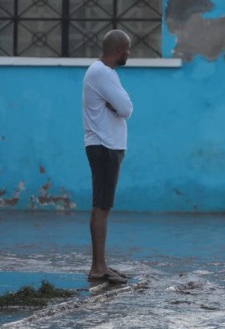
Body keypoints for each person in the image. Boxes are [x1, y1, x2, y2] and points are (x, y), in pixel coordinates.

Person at [82, 29, 133, 284]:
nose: (129, 54)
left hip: (106, 146)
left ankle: (100, 265)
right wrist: (117, 106)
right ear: (119, 51)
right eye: (128, 50)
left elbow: (121, 107)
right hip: (104, 147)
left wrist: (117, 106)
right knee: (101, 206)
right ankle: (98, 267)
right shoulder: (102, 73)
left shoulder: (105, 73)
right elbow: (126, 108)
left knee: (103, 205)